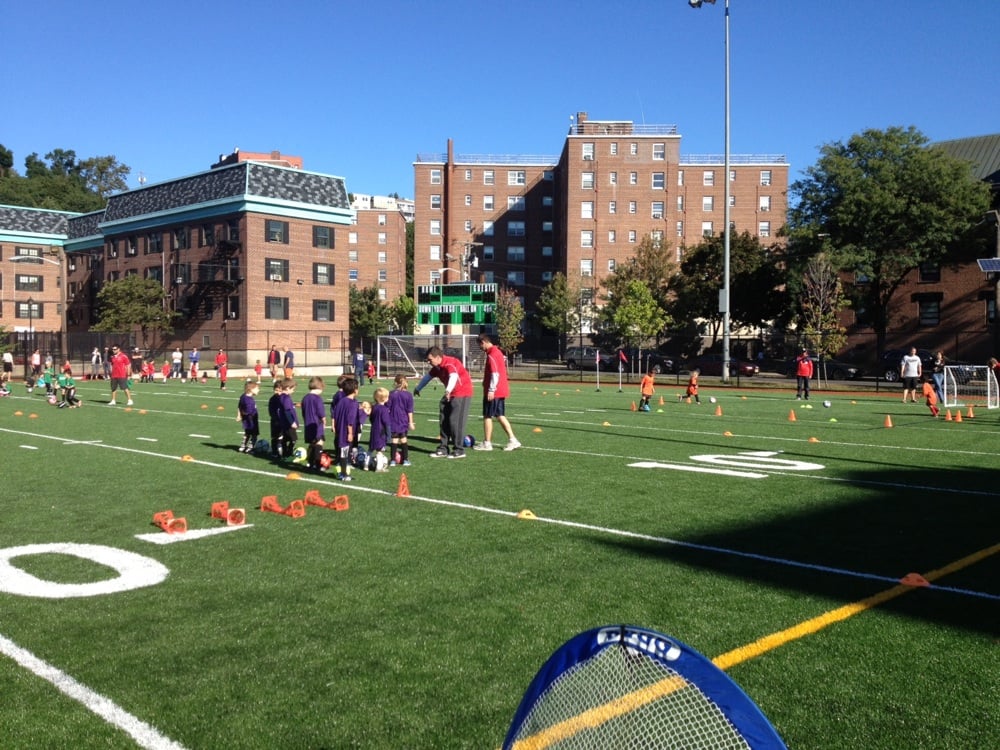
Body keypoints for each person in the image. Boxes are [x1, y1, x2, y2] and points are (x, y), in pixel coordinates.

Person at [414, 346, 474, 459]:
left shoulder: (450, 363)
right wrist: (418, 388)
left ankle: (459, 450)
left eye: (430, 360)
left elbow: (453, 376)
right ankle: (443, 448)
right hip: (450, 393)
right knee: (444, 420)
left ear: (438, 357)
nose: (428, 362)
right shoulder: (437, 367)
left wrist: (448, 390)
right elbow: (428, 377)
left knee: (455, 421)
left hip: (461, 393)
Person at [474, 333, 521, 450]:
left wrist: (491, 390)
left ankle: (487, 443)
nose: (480, 348)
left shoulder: (492, 354)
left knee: (487, 415)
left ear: (483, 342)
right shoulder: (497, 352)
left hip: (495, 392)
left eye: (480, 345)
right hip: (500, 390)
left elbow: (495, 374)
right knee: (500, 415)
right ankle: (513, 440)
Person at [331, 377, 363, 481]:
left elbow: (335, 414)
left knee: (343, 451)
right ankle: (343, 474)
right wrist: (350, 433)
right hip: (346, 431)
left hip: (340, 429)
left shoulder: (341, 401)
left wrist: (335, 426)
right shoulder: (353, 403)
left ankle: (343, 472)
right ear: (355, 390)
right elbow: (350, 420)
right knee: (344, 452)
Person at [388, 374, 415, 466]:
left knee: (394, 440)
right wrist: (411, 422)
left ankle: (392, 460)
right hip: (403, 420)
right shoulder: (408, 395)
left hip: (393, 420)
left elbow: (388, 407)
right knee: (404, 439)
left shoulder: (391, 394)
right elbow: (410, 410)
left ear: (395, 383)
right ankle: (406, 460)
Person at [301, 376, 327, 470]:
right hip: (316, 424)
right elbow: (321, 412)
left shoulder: (305, 398)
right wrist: (324, 420)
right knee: (319, 443)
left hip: (308, 424)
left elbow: (303, 412)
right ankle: (318, 464)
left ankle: (310, 462)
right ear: (319, 387)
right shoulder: (317, 399)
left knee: (312, 443)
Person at [368, 387, 392, 467]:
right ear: (384, 398)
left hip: (373, 430)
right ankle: (379, 467)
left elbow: (371, 419)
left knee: (371, 449)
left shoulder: (374, 407)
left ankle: (366, 464)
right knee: (379, 450)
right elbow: (387, 423)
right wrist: (389, 436)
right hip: (381, 431)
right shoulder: (384, 409)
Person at [277, 378, 299, 459]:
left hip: (284, 423)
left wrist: (293, 404)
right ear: (287, 388)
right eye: (293, 389)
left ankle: (284, 453)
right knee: (293, 439)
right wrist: (292, 422)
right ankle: (288, 453)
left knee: (286, 438)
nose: (293, 391)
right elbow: (287, 411)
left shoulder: (282, 397)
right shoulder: (286, 398)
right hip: (288, 424)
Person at [237, 381, 260, 453]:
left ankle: (242, 446)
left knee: (247, 433)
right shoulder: (250, 400)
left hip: (245, 420)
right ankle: (250, 448)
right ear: (251, 389)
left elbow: (239, 406)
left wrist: (239, 415)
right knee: (254, 434)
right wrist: (245, 413)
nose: (258, 390)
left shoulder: (243, 396)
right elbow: (248, 411)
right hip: (252, 420)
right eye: (257, 388)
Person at [267, 380, 285, 458]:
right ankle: (274, 452)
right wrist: (275, 418)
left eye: (280, 391)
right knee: (275, 437)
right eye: (276, 390)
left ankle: (282, 451)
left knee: (282, 437)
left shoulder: (284, 398)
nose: (278, 392)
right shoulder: (272, 399)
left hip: (283, 422)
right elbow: (271, 411)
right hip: (275, 421)